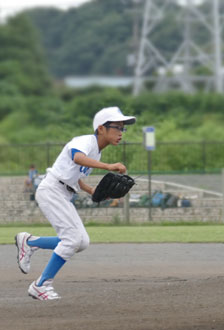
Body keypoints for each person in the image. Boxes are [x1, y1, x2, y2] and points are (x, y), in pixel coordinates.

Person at [15, 106, 136, 300]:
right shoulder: (85, 141)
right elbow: (76, 156)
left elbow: (73, 173)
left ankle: (30, 242)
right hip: (52, 190)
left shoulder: (96, 152)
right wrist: (108, 166)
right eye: (117, 127)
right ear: (101, 128)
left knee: (81, 242)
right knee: (72, 240)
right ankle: (41, 285)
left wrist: (91, 190)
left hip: (63, 192)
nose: (121, 132)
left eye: (123, 129)